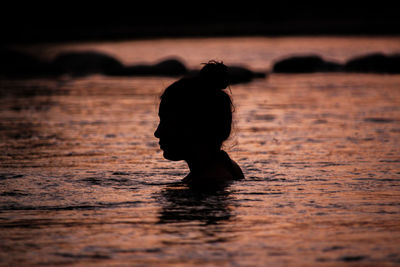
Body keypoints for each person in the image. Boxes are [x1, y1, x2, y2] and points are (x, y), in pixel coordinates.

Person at [154, 60, 244, 186]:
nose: (157, 133)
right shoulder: (226, 165)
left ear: (194, 127)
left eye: (166, 122)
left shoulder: (207, 183)